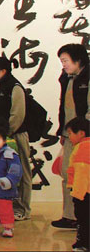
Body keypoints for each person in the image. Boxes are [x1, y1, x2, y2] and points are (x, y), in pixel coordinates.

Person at [0, 56, 32, 221]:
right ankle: (11, 207)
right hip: (4, 137)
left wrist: (6, 134)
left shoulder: (15, 87)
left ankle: (23, 209)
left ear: (3, 71)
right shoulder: (1, 87)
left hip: (17, 136)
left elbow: (17, 115)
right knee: (8, 172)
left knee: (22, 172)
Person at [52, 44, 89, 229]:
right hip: (69, 135)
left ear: (78, 60)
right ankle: (70, 215)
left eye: (65, 61)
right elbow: (65, 109)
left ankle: (82, 217)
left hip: (84, 136)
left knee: (83, 177)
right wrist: (64, 132)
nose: (63, 65)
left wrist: (83, 133)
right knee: (67, 173)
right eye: (61, 61)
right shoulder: (67, 78)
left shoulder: (87, 78)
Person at [65, 117, 90, 252]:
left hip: (84, 192)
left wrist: (78, 194)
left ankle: (84, 244)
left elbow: (82, 171)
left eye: (70, 133)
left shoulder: (82, 147)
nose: (69, 137)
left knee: (83, 218)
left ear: (81, 133)